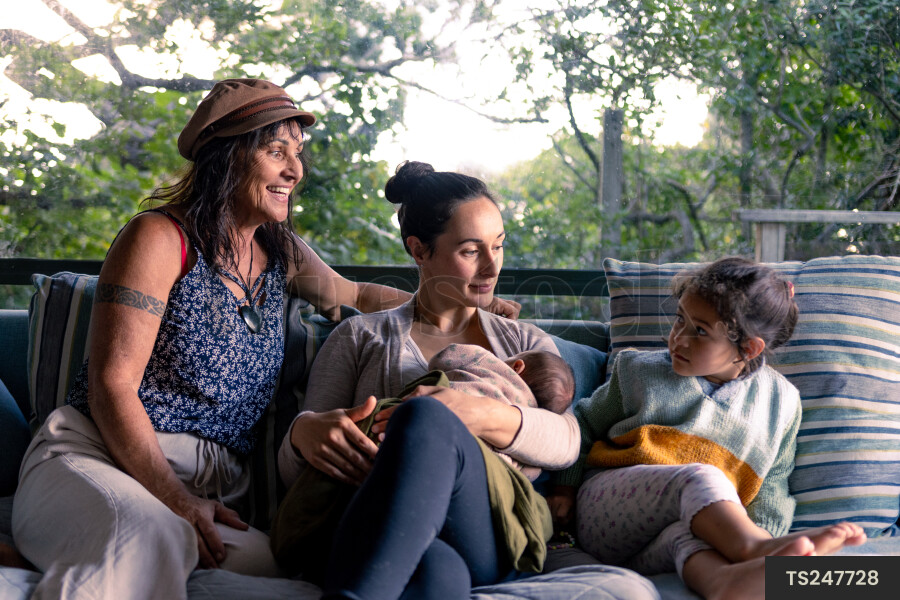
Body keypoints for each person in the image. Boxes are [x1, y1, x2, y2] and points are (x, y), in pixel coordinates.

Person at [11, 79, 511, 600]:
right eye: (276, 152)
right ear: (226, 158)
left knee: (296, 577)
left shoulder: (279, 250)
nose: (295, 170)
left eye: (297, 153)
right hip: (100, 460)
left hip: (213, 493)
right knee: (148, 540)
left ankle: (54, 557)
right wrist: (176, 499)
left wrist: (467, 302)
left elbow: (355, 294)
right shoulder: (158, 238)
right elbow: (111, 386)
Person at [277, 160, 581, 600]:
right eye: (471, 251)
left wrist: (476, 413)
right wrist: (300, 435)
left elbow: (567, 441)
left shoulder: (524, 343)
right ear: (420, 250)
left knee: (425, 415)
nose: (492, 267)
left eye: (498, 246)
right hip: (373, 520)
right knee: (438, 575)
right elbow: (297, 479)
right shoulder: (359, 337)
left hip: (482, 526)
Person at [546, 257, 866, 600]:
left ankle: (724, 581)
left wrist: (764, 530)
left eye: (699, 331)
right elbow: (582, 424)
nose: (678, 339)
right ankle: (756, 548)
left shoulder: (782, 403)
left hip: (655, 545)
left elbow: (772, 485)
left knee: (688, 539)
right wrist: (564, 488)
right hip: (605, 515)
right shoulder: (637, 371)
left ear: (749, 348)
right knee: (701, 476)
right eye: (679, 319)